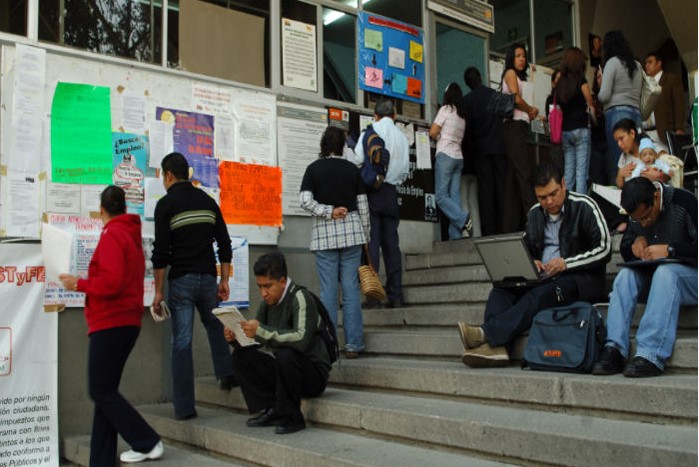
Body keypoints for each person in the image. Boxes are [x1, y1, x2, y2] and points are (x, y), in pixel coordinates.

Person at [458, 161, 611, 367]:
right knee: (501, 290)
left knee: (538, 295)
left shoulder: (584, 206)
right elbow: (527, 248)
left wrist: (566, 263)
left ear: (564, 185)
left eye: (553, 194)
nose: (549, 201)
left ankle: (486, 334)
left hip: (578, 280)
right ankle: (500, 350)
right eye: (542, 197)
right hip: (544, 276)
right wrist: (531, 262)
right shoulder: (534, 214)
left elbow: (604, 248)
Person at [59, 186, 163, 465]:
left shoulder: (113, 235)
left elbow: (112, 282)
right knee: (106, 392)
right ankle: (101, 459)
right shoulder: (129, 233)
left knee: (99, 390)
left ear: (101, 210)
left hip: (111, 322)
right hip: (124, 321)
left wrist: (78, 283)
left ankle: (147, 441)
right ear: (123, 208)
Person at [151, 152, 236, 421]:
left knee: (182, 341)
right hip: (208, 279)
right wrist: (223, 280)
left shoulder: (165, 205)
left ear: (168, 175)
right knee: (215, 325)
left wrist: (158, 291)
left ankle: (185, 407)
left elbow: (161, 254)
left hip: (182, 281)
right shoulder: (207, 201)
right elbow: (224, 243)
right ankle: (226, 374)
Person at [593, 177, 697, 377]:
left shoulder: (685, 202)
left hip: (689, 277)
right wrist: (634, 246)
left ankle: (650, 353)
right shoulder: (637, 212)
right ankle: (614, 348)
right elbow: (626, 247)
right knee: (625, 275)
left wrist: (671, 250)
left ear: (656, 197)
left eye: (646, 217)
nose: (643, 223)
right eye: (637, 220)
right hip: (658, 280)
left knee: (667, 272)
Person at [226, 252, 331, 434]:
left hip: (313, 374)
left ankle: (293, 417)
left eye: (268, 286)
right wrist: (237, 338)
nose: (263, 293)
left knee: (286, 353)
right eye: (259, 287)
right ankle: (272, 408)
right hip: (287, 369)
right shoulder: (268, 302)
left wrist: (260, 331)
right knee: (241, 356)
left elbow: (301, 339)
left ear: (282, 282)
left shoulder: (301, 297)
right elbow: (256, 340)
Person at [300, 126, 369, 358]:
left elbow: (305, 202)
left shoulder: (313, 169)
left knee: (328, 292)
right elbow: (363, 206)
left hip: (324, 237)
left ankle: (329, 345)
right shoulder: (352, 170)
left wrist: (328, 212)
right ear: (342, 146)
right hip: (352, 233)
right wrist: (366, 235)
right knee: (351, 290)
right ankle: (354, 344)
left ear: (323, 145)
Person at [354, 99, 410, 308]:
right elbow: (405, 172)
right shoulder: (403, 139)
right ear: (394, 116)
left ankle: (374, 296)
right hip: (392, 193)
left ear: (375, 116)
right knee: (391, 246)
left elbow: (357, 160)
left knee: (372, 244)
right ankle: (396, 295)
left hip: (372, 193)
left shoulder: (370, 132)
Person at [462, 66, 507, 236]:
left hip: (481, 150)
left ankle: (490, 230)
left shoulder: (468, 101)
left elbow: (468, 131)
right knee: (501, 188)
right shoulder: (494, 95)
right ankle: (505, 226)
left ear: (468, 83)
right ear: (480, 78)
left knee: (486, 191)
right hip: (499, 147)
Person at [501, 43, 539, 233]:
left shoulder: (518, 76)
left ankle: (510, 224)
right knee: (524, 174)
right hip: (514, 127)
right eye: (517, 56)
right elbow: (515, 99)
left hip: (519, 128)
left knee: (513, 177)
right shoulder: (509, 73)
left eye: (524, 56)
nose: (522, 59)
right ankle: (534, 219)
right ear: (511, 58)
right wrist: (530, 110)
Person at [597, 30, 643, 184]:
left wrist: (601, 83)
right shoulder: (637, 65)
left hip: (617, 114)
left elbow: (604, 96)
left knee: (618, 159)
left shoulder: (612, 63)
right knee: (636, 156)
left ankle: (620, 196)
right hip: (636, 114)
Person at [429, 82, 472, 240]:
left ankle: (464, 218)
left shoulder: (445, 109)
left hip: (445, 155)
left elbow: (433, 132)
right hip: (458, 158)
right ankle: (456, 237)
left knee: (440, 196)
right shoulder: (462, 115)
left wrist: (440, 137)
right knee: (454, 197)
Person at [555, 47, 596, 193]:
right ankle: (580, 208)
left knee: (569, 173)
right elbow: (590, 104)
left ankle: (566, 203)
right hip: (581, 129)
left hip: (566, 131)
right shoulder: (581, 80)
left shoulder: (560, 82)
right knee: (581, 173)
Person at [643, 51, 686, 150]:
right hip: (647, 132)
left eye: (650, 62)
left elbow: (679, 105)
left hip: (664, 129)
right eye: (646, 63)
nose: (647, 66)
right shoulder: (645, 84)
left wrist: (679, 128)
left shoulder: (671, 79)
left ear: (659, 63)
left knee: (668, 161)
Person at [545, 69, 564, 172]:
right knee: (558, 170)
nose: (561, 81)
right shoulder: (551, 99)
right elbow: (548, 120)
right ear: (553, 83)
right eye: (558, 79)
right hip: (555, 141)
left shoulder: (569, 96)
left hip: (566, 138)